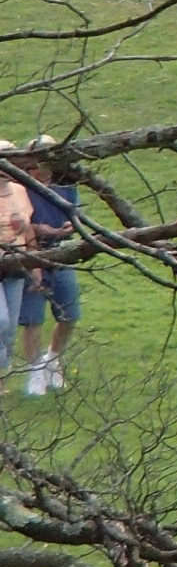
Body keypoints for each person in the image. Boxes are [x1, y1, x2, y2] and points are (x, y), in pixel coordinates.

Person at [16, 137, 80, 395]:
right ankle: (34, 373)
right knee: (32, 319)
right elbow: (20, 221)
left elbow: (75, 215)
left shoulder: (66, 184)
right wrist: (37, 229)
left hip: (61, 254)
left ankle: (52, 361)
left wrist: (70, 226)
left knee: (70, 314)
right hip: (32, 255)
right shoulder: (22, 186)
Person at [0, 142, 36, 380]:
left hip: (16, 263)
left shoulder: (20, 190)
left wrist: (34, 263)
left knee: (11, 327)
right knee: (0, 321)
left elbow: (28, 228)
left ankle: (2, 374)